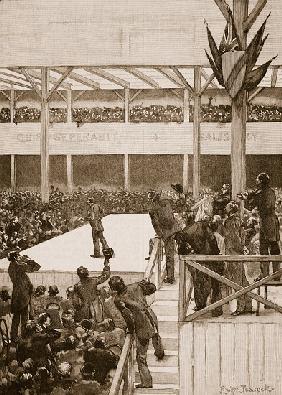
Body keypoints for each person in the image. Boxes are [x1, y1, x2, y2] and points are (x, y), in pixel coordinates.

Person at [109, 276, 164, 389]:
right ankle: (160, 352)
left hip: (141, 325)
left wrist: (131, 330)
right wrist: (145, 284)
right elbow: (152, 289)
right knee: (155, 335)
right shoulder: (135, 286)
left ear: (114, 288)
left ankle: (147, 382)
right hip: (151, 316)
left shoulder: (118, 299)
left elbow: (128, 317)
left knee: (141, 357)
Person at [175, 217, 224, 317]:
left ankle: (205, 307)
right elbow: (212, 243)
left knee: (205, 283)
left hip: (205, 259)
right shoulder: (198, 229)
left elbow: (182, 250)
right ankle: (212, 308)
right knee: (210, 283)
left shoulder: (193, 230)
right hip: (207, 258)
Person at [239, 173, 280, 278]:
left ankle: (266, 274)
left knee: (264, 247)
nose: (256, 181)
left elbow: (255, 202)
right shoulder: (270, 191)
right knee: (274, 247)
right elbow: (254, 196)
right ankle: (276, 274)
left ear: (261, 181)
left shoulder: (262, 193)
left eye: (257, 180)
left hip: (267, 222)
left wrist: (246, 198)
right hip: (272, 221)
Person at [223, 201, 253, 316]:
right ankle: (248, 305)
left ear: (231, 209)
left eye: (227, 206)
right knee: (242, 280)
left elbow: (234, 238)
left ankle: (241, 307)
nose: (225, 208)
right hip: (235, 252)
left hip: (233, 253)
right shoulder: (237, 220)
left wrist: (239, 249)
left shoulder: (231, 221)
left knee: (237, 281)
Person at [8, 251, 41, 342]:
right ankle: (23, 336)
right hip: (22, 297)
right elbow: (36, 267)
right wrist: (29, 260)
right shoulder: (17, 266)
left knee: (16, 318)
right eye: (18, 256)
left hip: (19, 296)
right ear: (15, 258)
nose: (20, 257)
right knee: (23, 319)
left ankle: (15, 337)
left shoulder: (13, 266)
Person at [149, 192, 181, 284]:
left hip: (167, 233)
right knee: (175, 253)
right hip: (175, 229)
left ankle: (170, 277)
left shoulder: (153, 209)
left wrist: (160, 235)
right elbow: (171, 216)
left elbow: (155, 224)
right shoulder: (167, 203)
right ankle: (175, 274)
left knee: (169, 255)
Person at [73, 254, 111, 322]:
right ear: (87, 273)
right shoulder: (94, 281)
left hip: (84, 310)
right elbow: (105, 276)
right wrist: (107, 263)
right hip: (95, 308)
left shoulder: (77, 286)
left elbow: (75, 302)